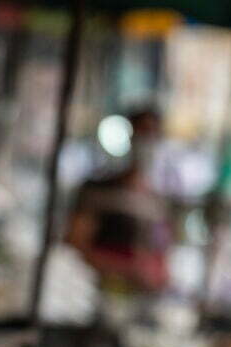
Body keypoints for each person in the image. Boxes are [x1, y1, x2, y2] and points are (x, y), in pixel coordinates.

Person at [65, 107, 174, 296]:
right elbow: (75, 245)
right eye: (142, 133)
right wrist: (125, 268)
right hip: (90, 294)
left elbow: (163, 263)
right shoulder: (97, 190)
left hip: (140, 302)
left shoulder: (159, 202)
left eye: (153, 135)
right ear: (130, 136)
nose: (147, 141)